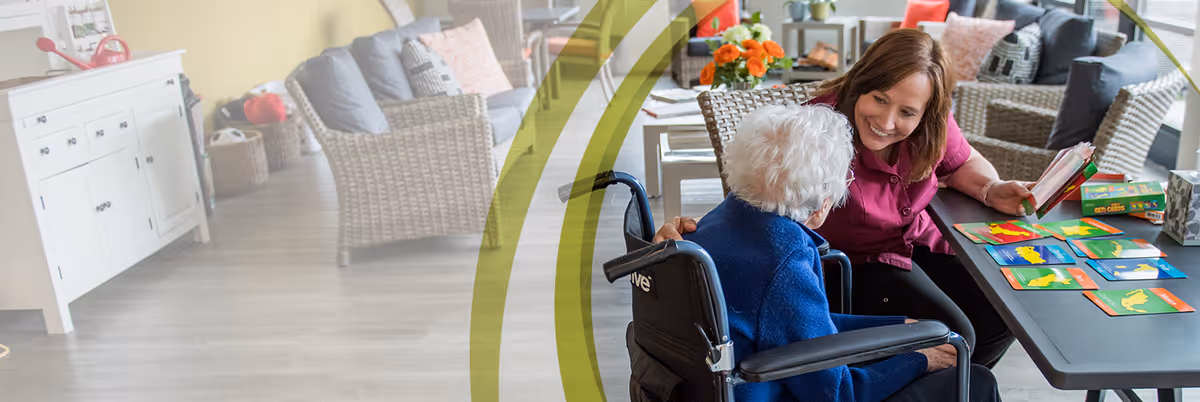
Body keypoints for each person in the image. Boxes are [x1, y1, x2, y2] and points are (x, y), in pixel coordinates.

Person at [655, 29, 1027, 368]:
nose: (887, 120)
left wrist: (989, 188)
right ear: (861, 84)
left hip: (920, 243)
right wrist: (694, 231)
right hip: (855, 268)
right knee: (958, 336)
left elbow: (963, 161)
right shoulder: (818, 132)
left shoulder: (932, 122)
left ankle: (955, 383)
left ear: (927, 112)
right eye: (879, 99)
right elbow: (758, 198)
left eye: (907, 112)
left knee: (1008, 309)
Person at [679, 103, 999, 402]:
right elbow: (838, 392)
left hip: (726, 379)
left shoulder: (721, 217)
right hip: (771, 390)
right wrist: (920, 359)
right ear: (822, 204)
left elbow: (800, 329)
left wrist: (898, 327)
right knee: (978, 381)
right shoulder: (783, 258)